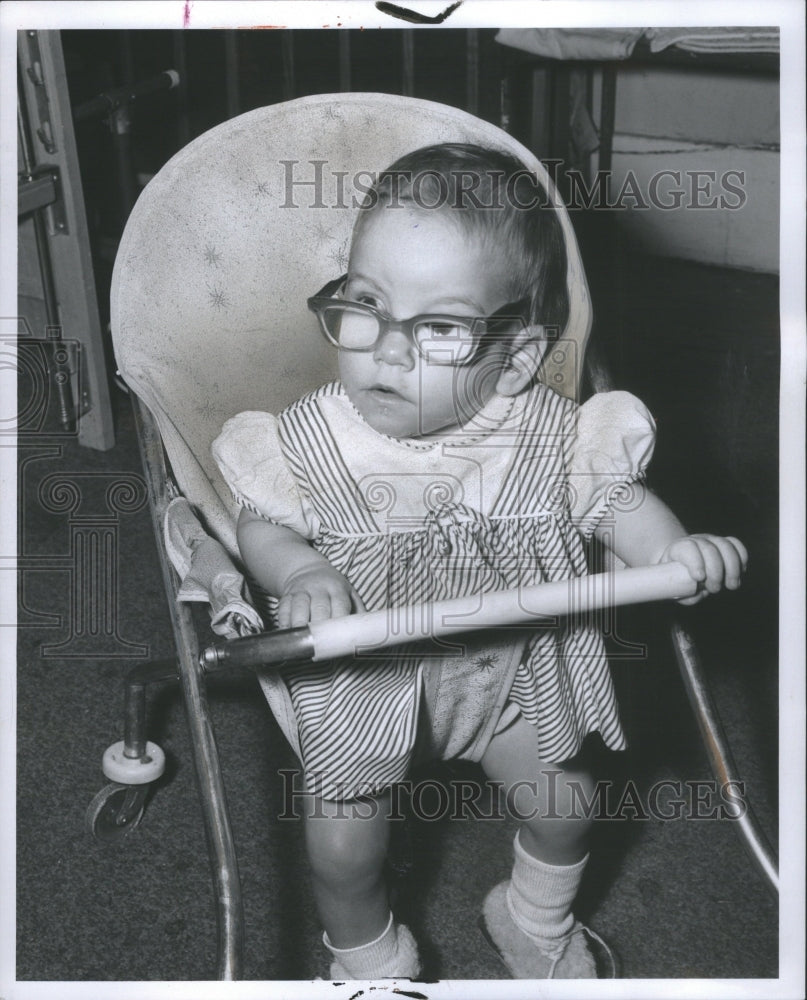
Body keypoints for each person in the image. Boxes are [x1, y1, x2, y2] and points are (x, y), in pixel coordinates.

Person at [212, 144, 747, 980]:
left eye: (439, 329)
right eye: (366, 304)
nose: (387, 350)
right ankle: (365, 959)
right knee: (344, 852)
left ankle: (532, 918)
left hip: (514, 672)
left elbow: (617, 505)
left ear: (518, 359)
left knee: (566, 802)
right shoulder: (312, 439)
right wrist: (298, 571)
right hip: (365, 680)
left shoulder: (549, 434)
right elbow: (262, 522)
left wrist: (675, 549)